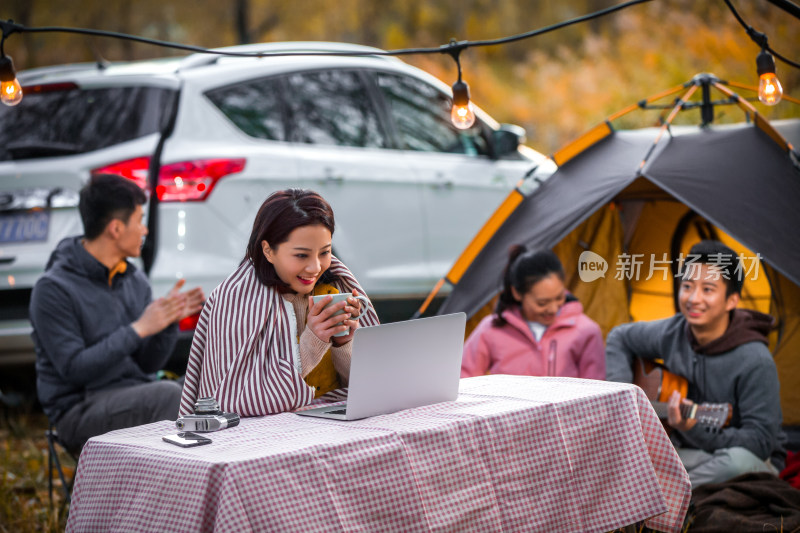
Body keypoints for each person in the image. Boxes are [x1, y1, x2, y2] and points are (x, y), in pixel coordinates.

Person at [30, 174, 205, 453]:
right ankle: (180, 489)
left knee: (209, 389)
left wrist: (167, 322)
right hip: (80, 407)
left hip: (136, 391)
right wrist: (139, 329)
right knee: (167, 396)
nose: (144, 230)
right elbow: (74, 369)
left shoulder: (132, 279)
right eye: (139, 220)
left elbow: (148, 365)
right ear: (115, 228)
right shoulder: (53, 289)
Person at [179, 189, 380, 417]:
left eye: (325, 252)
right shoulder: (237, 299)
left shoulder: (333, 287)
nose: (315, 267)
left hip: (327, 423)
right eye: (301, 255)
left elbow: (367, 389)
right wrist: (313, 341)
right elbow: (236, 401)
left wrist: (344, 342)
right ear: (268, 250)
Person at [605, 240, 787, 488]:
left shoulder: (755, 360)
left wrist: (695, 429)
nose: (693, 298)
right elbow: (619, 337)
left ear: (731, 301)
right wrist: (623, 401)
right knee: (620, 453)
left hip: (744, 459)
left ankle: (664, 494)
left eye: (708, 290)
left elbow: (760, 442)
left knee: (738, 464)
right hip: (688, 453)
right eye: (687, 286)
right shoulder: (673, 331)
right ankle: (669, 488)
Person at [461, 246, 605, 380]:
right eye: (542, 303)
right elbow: (464, 379)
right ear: (517, 293)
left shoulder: (586, 331)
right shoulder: (491, 329)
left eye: (559, 298)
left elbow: (596, 391)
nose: (553, 309)